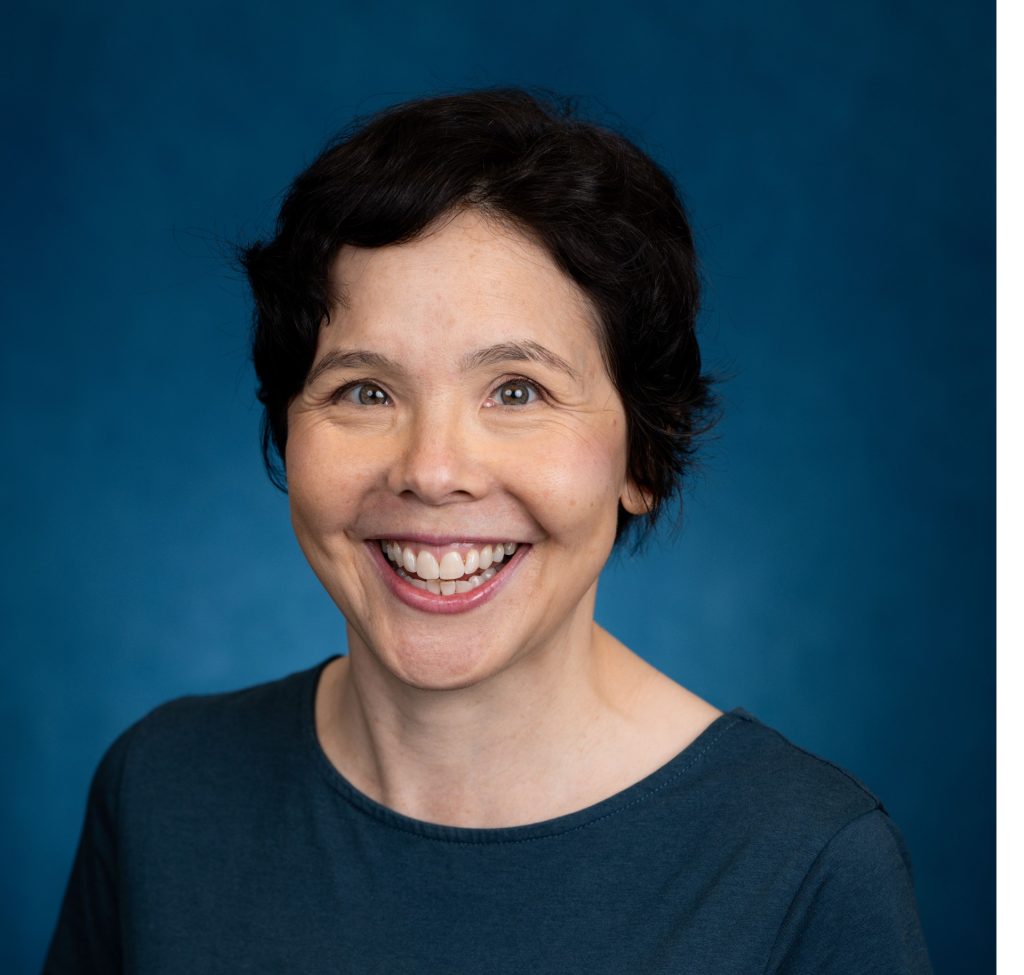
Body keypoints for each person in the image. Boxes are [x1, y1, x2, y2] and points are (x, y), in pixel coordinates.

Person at [45, 88, 932, 973]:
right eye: (365, 391)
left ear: (642, 459)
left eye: (517, 390)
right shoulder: (161, 793)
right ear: (288, 430)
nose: (431, 471)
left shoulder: (807, 868)